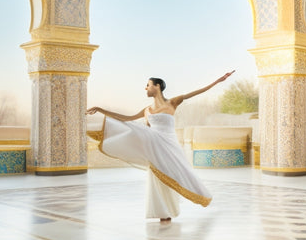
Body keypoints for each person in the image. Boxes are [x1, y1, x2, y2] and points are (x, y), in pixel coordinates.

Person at [86, 71, 235, 222]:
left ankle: (203, 196)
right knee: (135, 131)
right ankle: (163, 212)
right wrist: (101, 109)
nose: (146, 88)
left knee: (183, 173)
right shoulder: (146, 110)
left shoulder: (172, 102)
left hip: (169, 145)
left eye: (148, 85)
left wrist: (218, 81)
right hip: (154, 143)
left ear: (157, 86)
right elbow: (126, 118)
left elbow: (197, 92)